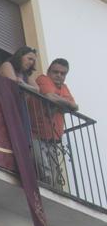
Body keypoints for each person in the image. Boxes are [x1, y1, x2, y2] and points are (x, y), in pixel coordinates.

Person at [30, 58, 78, 187]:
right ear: (49, 71)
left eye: (63, 74)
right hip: (36, 135)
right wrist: (63, 103)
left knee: (54, 177)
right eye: (55, 72)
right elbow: (50, 97)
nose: (59, 75)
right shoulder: (43, 79)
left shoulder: (64, 87)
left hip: (53, 139)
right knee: (43, 171)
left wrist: (59, 102)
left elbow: (75, 106)